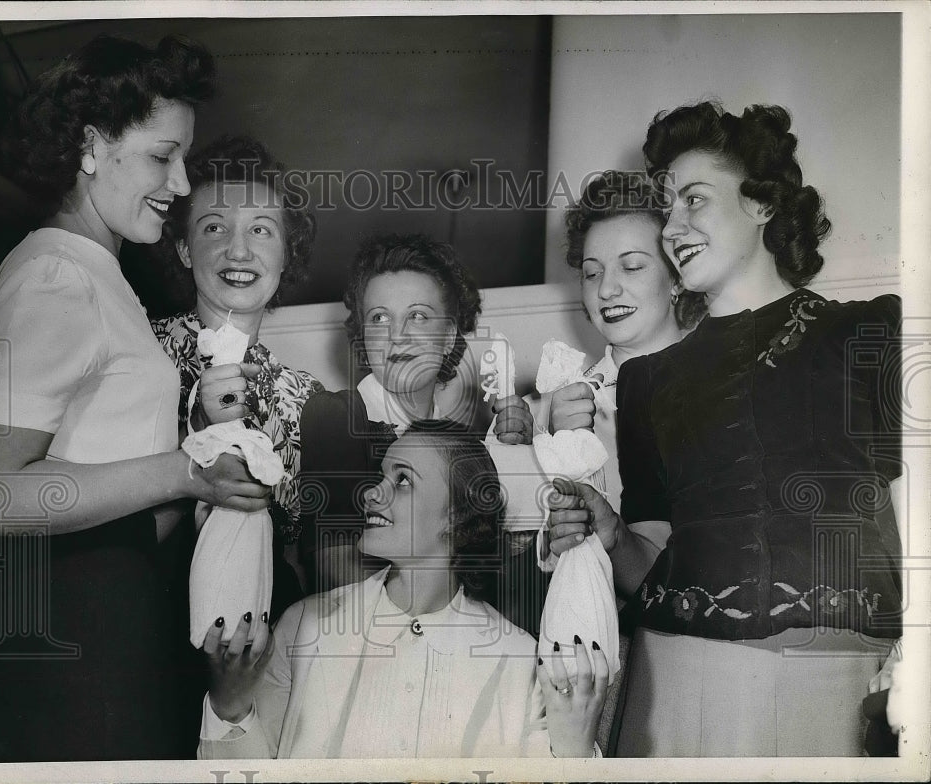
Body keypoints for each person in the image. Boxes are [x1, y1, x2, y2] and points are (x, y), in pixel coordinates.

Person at [550, 103, 902, 756]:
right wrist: (612, 534)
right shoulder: (647, 380)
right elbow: (648, 558)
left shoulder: (867, 331)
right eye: (666, 208)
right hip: (676, 687)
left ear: (763, 204)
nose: (672, 226)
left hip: (836, 683)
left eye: (693, 200)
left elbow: (916, 510)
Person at [0, 36, 271, 762]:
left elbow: (97, 461)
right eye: (164, 156)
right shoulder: (55, 277)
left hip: (107, 619)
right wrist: (186, 470)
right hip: (68, 632)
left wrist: (198, 434)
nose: (184, 183)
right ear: (92, 148)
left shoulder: (101, 276)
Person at [197, 421, 608, 758]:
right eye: (381, 476)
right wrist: (229, 706)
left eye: (403, 480)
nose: (372, 493)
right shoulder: (303, 626)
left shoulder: (517, 660)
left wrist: (574, 752)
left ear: (457, 515)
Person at [526, 170, 705, 754]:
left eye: (632, 266)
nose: (607, 290)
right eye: (593, 272)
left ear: (678, 279)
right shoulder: (551, 406)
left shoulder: (719, 392)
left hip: (692, 652)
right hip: (582, 653)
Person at [298, 233, 533, 593]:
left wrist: (523, 466)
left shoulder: (465, 443)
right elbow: (335, 566)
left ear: (449, 336)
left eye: (418, 316)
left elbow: (489, 571)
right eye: (379, 318)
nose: (397, 336)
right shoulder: (338, 417)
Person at [152, 134, 323, 613]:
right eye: (214, 229)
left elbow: (299, 556)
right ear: (184, 249)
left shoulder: (307, 398)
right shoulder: (139, 350)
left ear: (287, 254)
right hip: (146, 610)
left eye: (262, 230)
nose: (239, 252)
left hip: (257, 623)